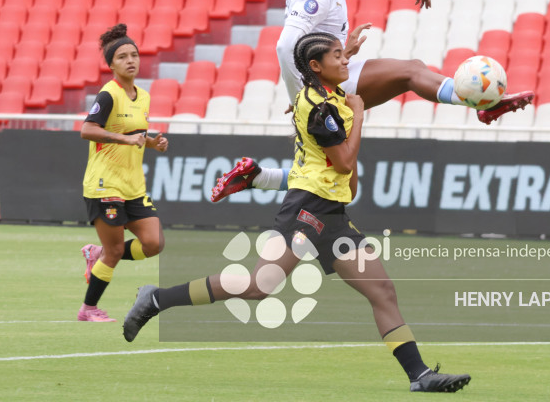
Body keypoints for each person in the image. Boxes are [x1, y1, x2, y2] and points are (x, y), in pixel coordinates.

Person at [123, 33, 471, 392]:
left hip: (331, 212)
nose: (346, 61)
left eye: (344, 55)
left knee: (382, 290)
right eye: (337, 56)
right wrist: (360, 115)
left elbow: (342, 151)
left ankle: (420, 375)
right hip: (307, 208)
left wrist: (347, 59)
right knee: (258, 286)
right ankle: (157, 298)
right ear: (316, 66)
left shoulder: (328, 96)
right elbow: (344, 161)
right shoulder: (321, 109)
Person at [211, 0, 533, 201]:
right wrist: (303, 98)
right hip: (325, 87)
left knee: (409, 73)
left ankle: (255, 176)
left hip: (333, 74)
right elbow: (285, 45)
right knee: (341, 182)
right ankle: (257, 178)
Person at [77, 23, 170, 322]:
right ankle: (88, 309)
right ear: (112, 65)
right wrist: (124, 139)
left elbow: (134, 134)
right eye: (122, 57)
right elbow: (87, 130)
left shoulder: (143, 96)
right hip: (105, 184)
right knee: (115, 251)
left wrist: (153, 143)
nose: (130, 60)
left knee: (154, 243)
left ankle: (97, 253)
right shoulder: (108, 95)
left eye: (134, 55)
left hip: (133, 186)